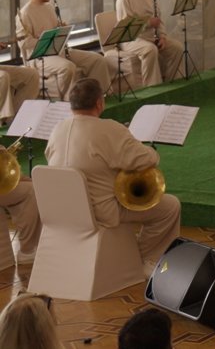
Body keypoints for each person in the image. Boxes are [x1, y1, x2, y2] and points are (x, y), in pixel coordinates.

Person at [47, 78, 182, 277]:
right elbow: (148, 159)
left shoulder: (57, 129)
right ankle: (145, 260)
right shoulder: (108, 129)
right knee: (170, 207)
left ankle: (130, 256)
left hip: (61, 210)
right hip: (100, 212)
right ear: (99, 103)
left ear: (72, 104)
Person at [17, 0, 112, 97]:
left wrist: (61, 29)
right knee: (67, 67)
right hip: (39, 57)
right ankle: (68, 101)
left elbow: (55, 31)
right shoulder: (25, 13)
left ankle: (99, 96)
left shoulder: (49, 7)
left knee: (97, 59)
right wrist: (44, 39)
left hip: (59, 50)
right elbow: (24, 43)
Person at [115, 0, 185, 86]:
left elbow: (159, 19)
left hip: (151, 37)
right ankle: (153, 87)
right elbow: (128, 26)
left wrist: (162, 36)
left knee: (177, 48)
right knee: (150, 49)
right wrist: (148, 22)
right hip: (131, 39)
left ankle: (174, 83)